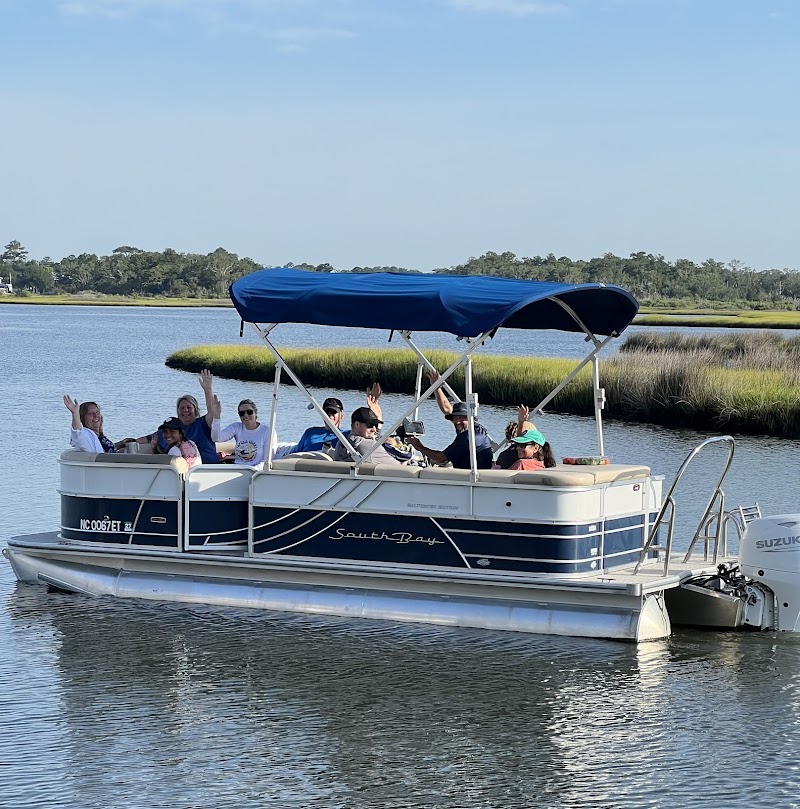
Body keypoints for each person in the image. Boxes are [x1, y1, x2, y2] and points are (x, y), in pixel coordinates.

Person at [129, 369, 220, 464]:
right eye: (182, 408)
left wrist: (208, 389)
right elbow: (145, 439)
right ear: (177, 411)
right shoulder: (168, 431)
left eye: (189, 407)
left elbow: (212, 411)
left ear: (195, 410)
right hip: (182, 470)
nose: (185, 410)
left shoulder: (203, 424)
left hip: (209, 468)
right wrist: (124, 443)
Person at [294, 384, 383, 453]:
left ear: (342, 415)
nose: (329, 416)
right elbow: (295, 453)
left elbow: (372, 438)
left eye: (333, 412)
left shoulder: (348, 435)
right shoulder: (310, 432)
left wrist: (377, 416)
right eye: (326, 412)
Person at [406, 401, 493, 469]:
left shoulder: (467, 438)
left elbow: (441, 458)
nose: (457, 422)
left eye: (461, 418)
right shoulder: (478, 429)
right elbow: (446, 408)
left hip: (472, 478)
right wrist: (437, 388)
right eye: (455, 418)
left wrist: (419, 446)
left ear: (470, 418)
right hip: (479, 472)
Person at [210, 398, 272, 469]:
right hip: (237, 468)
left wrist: (254, 470)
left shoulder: (266, 431)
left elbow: (267, 460)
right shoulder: (236, 427)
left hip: (256, 470)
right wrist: (217, 417)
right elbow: (217, 438)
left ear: (255, 413)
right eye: (242, 413)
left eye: (249, 412)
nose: (245, 415)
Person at [333, 407, 403, 465]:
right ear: (357, 425)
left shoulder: (341, 444)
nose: (374, 429)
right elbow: (399, 466)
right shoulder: (370, 446)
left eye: (375, 425)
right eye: (370, 425)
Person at [495, 405, 537, 469]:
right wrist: (521, 422)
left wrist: (521, 422)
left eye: (522, 445)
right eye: (520, 445)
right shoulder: (509, 456)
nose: (519, 448)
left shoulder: (505, 455)